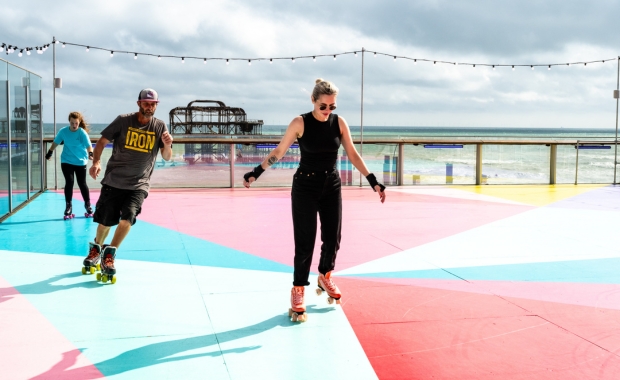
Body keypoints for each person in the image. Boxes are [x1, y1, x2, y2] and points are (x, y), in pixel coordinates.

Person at [243, 79, 386, 322]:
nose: (328, 111)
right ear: (313, 101)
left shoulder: (339, 123)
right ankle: (298, 289)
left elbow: (352, 153)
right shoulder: (300, 122)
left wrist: (373, 180)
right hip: (305, 187)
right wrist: (256, 172)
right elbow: (279, 152)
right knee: (305, 241)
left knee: (333, 237)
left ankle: (325, 275)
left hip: (331, 184)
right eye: (323, 106)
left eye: (332, 106)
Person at [82, 88, 173, 283]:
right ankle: (96, 248)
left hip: (138, 184)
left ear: (157, 105)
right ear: (138, 103)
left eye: (153, 104)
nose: (149, 107)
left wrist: (167, 145)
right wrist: (96, 162)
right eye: (146, 103)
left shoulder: (159, 126)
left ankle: (109, 255)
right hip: (114, 180)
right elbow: (101, 142)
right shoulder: (123, 120)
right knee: (105, 222)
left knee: (127, 219)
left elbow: (166, 157)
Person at [45, 112, 94, 219]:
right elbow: (56, 142)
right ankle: (68, 206)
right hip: (66, 160)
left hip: (80, 161)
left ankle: (88, 205)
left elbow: (89, 145)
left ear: (79, 122)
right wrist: (49, 152)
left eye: (76, 123)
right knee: (69, 181)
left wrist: (91, 154)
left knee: (82, 183)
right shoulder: (63, 131)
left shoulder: (82, 133)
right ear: (69, 122)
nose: (74, 125)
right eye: (72, 123)